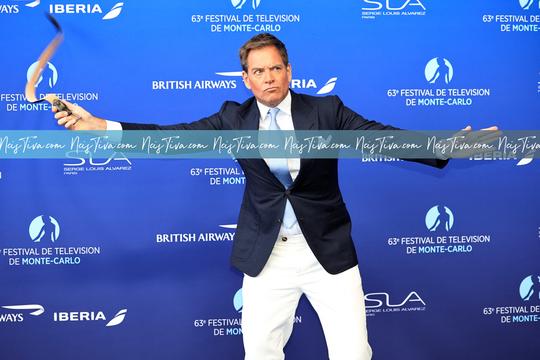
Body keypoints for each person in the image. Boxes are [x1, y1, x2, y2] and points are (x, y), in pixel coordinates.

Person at [54, 33, 496, 360]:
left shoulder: (326, 110)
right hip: (266, 256)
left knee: (354, 353)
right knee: (261, 353)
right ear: (246, 79)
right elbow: (173, 138)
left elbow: (381, 138)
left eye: (276, 68)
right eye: (259, 71)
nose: (269, 77)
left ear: (289, 71)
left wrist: (444, 148)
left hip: (329, 254)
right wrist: (101, 126)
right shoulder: (233, 118)